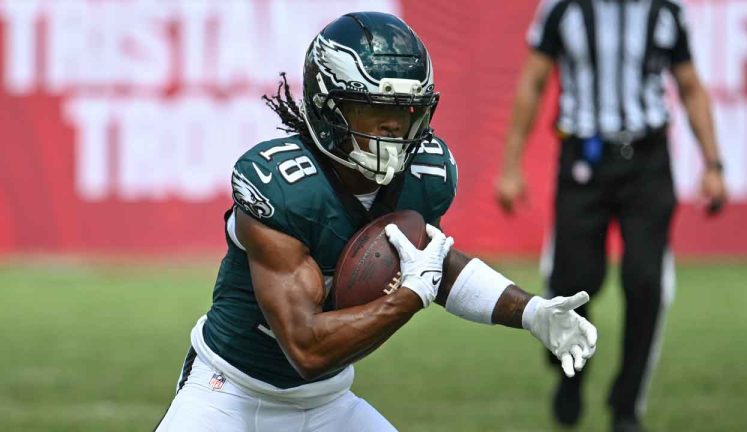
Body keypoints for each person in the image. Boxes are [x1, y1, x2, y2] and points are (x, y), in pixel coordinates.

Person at [155, 12, 597, 432]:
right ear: (329, 109)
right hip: (228, 394)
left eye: (406, 111)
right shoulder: (283, 187)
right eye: (374, 110)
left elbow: (432, 263)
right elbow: (306, 349)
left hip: (326, 402)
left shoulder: (425, 173)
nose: (393, 128)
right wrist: (408, 297)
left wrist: (532, 312)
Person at [495, 1, 727, 431]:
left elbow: (691, 86)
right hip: (584, 157)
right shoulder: (563, 8)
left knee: (646, 282)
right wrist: (511, 167)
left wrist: (713, 164)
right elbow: (533, 80)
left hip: (648, 160)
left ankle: (626, 406)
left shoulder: (665, 9)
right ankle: (571, 370)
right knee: (573, 280)